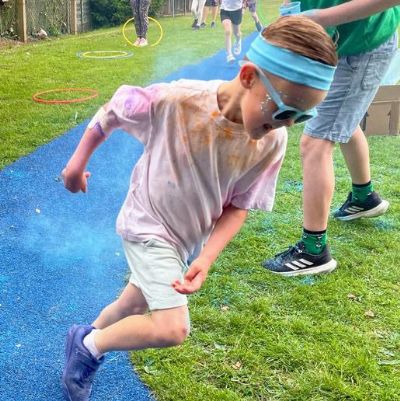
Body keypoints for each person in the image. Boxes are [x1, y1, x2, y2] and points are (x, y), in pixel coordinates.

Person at [61, 16, 337, 401]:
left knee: (133, 302)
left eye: (301, 117)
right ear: (248, 77)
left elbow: (239, 206)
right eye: (282, 110)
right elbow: (116, 108)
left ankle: (85, 336)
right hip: (148, 224)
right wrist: (76, 165)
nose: (287, 124)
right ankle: (89, 348)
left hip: (186, 240)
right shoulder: (180, 100)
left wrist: (206, 258)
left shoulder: (272, 142)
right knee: (172, 328)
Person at [262, 1, 399, 276]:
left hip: (362, 44)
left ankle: (314, 251)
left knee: (315, 142)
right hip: (337, 43)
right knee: (343, 120)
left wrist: (320, 17)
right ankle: (364, 198)